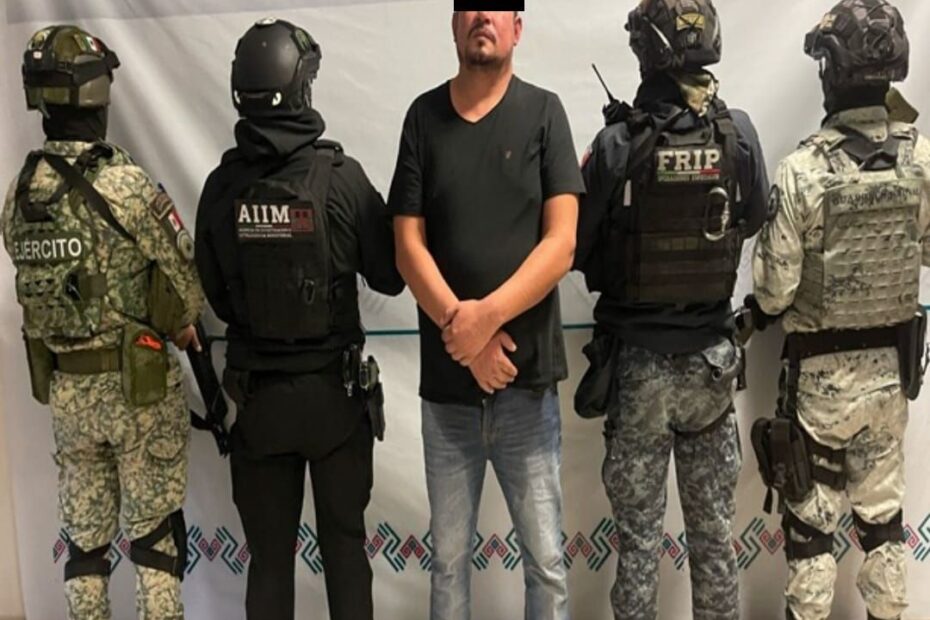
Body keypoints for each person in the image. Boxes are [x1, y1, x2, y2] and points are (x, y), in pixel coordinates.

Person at [194, 18, 404, 620]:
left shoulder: (221, 188)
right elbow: (389, 277)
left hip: (260, 404)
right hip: (335, 401)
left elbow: (216, 295)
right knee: (345, 553)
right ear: (302, 87)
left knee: (268, 563)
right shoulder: (341, 178)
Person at [573, 1, 769, 618]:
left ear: (645, 53)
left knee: (637, 546)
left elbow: (576, 248)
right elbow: (753, 218)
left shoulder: (616, 144)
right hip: (712, 366)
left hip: (638, 373)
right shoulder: (738, 134)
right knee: (714, 541)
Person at [2, 24, 203, 620]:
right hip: (137, 390)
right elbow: (187, 285)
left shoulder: (20, 193)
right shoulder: (123, 183)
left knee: (85, 549)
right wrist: (179, 319)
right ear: (96, 95)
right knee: (155, 542)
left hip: (68, 394)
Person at [388, 9, 583, 620]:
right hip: (448, 396)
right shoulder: (423, 119)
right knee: (448, 565)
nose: (481, 16)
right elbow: (407, 246)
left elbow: (561, 245)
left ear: (517, 27)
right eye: (468, 7)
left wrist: (483, 321)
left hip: (527, 388)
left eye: (496, 8)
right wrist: (465, 336)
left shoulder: (545, 113)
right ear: (453, 25)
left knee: (546, 564)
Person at [749, 2, 928, 619]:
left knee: (812, 535)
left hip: (821, 394)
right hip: (890, 381)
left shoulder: (803, 171)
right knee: (884, 526)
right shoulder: (921, 160)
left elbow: (773, 293)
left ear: (832, 71)